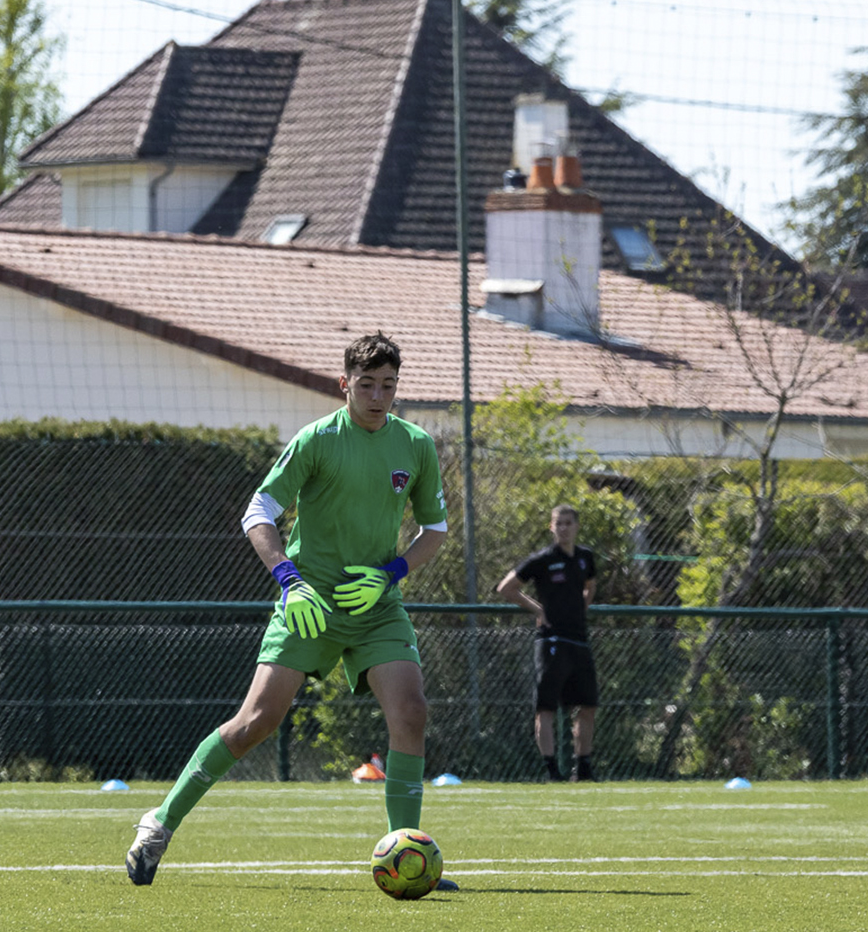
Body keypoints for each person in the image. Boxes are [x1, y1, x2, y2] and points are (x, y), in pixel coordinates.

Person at [127, 331, 459, 890]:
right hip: (309, 604)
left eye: (388, 385)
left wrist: (391, 573)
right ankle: (158, 825)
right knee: (255, 724)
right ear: (344, 384)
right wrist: (289, 579)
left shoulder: (415, 445)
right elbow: (258, 511)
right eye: (367, 385)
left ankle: (408, 856)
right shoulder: (316, 440)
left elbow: (436, 529)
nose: (378, 396)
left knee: (411, 712)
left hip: (376, 604)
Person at [496, 505, 600, 782]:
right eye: (558, 523)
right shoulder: (542, 559)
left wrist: (582, 607)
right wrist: (539, 610)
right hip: (552, 641)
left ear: (576, 526)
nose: (563, 528)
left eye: (568, 523)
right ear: (551, 527)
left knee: (588, 704)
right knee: (546, 707)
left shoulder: (585, 557)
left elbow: (591, 585)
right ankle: (552, 771)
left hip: (579, 639)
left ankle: (584, 768)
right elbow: (506, 588)